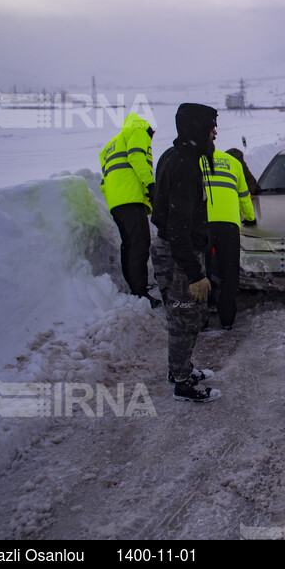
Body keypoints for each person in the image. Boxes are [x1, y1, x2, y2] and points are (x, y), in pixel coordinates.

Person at [150, 103, 221, 402]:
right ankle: (181, 382)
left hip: (179, 249)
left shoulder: (179, 155)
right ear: (197, 129)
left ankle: (181, 368)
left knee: (187, 316)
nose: (215, 133)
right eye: (211, 127)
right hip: (179, 253)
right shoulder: (184, 165)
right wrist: (194, 274)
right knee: (184, 318)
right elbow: (177, 227)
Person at [98, 112, 161, 308]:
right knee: (141, 244)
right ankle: (140, 293)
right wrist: (150, 186)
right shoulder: (139, 131)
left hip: (117, 203)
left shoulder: (111, 145)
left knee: (129, 244)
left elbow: (103, 181)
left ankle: (135, 288)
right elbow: (137, 158)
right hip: (130, 198)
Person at [201, 147, 256, 330]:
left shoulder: (197, 160)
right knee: (229, 272)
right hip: (229, 226)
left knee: (202, 271)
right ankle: (227, 320)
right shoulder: (233, 163)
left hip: (203, 223)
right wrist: (250, 218)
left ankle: (202, 318)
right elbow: (244, 196)